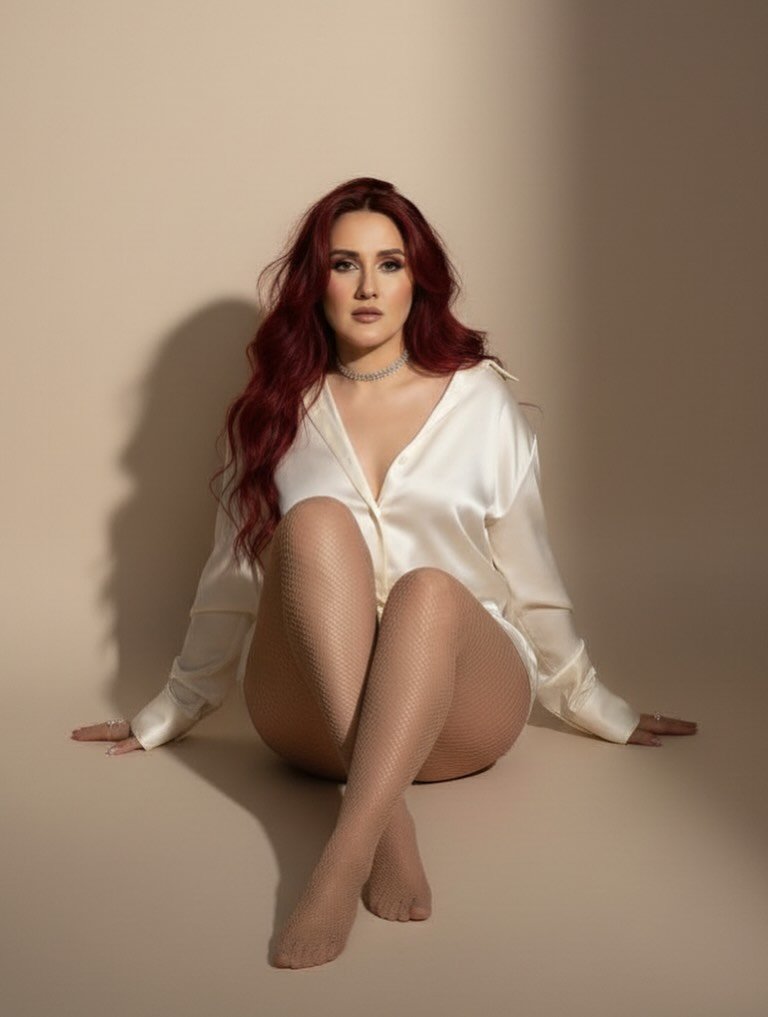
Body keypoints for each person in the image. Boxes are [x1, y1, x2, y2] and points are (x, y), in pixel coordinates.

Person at [71, 176, 698, 969]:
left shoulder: (479, 402)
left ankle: (340, 859)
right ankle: (385, 822)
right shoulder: (276, 408)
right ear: (317, 281)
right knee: (313, 523)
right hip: (311, 715)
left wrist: (595, 703)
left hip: (456, 711)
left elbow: (533, 581)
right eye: (345, 264)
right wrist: (170, 709)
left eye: (390, 263)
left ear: (417, 279)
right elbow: (231, 582)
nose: (369, 286)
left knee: (427, 591)